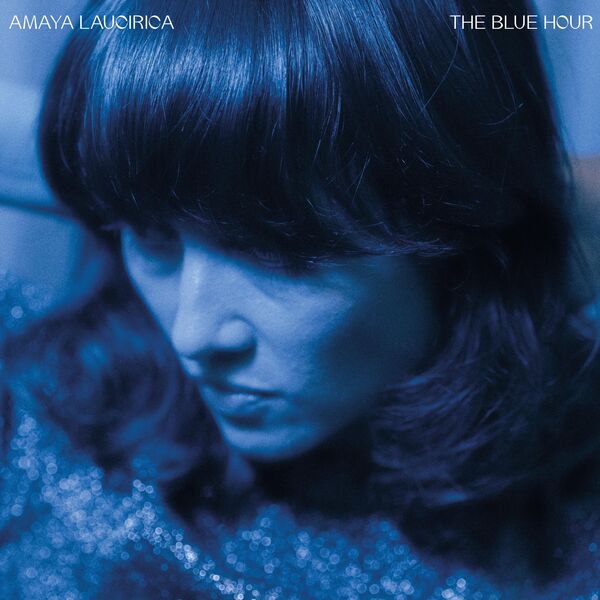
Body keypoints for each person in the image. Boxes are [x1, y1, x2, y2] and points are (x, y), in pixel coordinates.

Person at [2, 0, 600, 597]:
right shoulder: (40, 407)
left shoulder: (570, 522)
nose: (192, 335)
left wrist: (529, 210)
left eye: (273, 249)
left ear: (457, 238)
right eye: (153, 235)